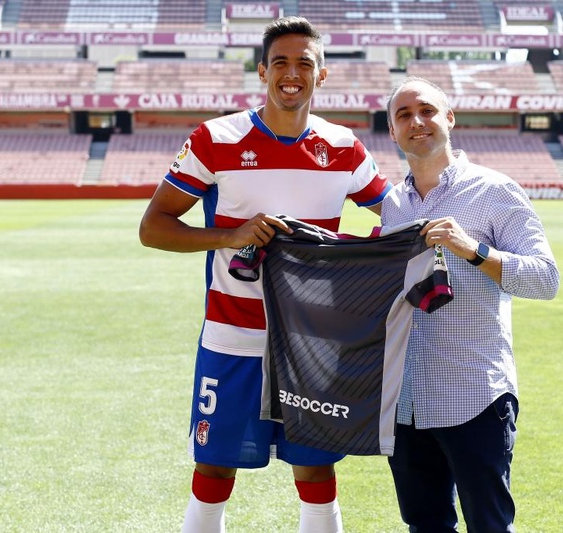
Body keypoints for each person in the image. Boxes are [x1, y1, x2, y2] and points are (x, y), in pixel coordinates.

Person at [139, 16, 390, 533]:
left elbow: (398, 219)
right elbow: (154, 227)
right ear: (262, 72)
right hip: (232, 336)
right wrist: (229, 236)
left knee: (315, 464)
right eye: (281, 62)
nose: (291, 73)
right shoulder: (216, 138)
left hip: (312, 341)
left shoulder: (344, 147)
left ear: (322, 77)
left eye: (305, 63)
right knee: (214, 463)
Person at [381, 76, 560, 532]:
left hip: (474, 395)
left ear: (450, 119)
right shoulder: (394, 205)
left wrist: (473, 250)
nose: (416, 122)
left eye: (427, 111)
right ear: (392, 131)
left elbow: (546, 279)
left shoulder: (495, 190)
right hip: (407, 400)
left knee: (490, 525)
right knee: (425, 525)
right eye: (403, 115)